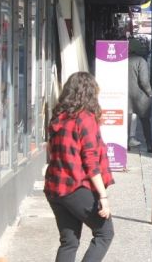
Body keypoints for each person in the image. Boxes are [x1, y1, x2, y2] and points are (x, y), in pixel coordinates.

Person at [44, 72, 114, 262]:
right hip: (75, 186)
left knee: (69, 242)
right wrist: (103, 197)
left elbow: (50, 150)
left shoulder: (58, 117)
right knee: (105, 233)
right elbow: (91, 162)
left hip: (54, 188)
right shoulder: (85, 119)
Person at [128, 39, 152, 153]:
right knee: (145, 122)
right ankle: (149, 145)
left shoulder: (124, 60)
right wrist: (149, 92)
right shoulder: (141, 61)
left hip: (127, 96)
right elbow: (144, 81)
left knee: (128, 121)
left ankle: (126, 144)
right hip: (141, 97)